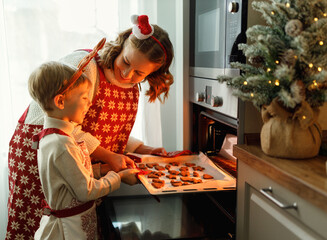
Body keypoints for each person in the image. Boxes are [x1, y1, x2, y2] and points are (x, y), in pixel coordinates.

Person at [5, 14, 174, 239]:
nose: (127, 74)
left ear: (152, 74)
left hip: (76, 160)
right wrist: (108, 157)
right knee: (38, 226)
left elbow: (110, 131)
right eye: (125, 62)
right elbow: (61, 125)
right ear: (122, 45)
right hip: (39, 153)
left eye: (139, 73)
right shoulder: (86, 67)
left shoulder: (131, 88)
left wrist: (144, 149)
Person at [28, 60, 139, 239]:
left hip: (74, 223)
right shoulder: (62, 144)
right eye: (84, 98)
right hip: (69, 230)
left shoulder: (55, 137)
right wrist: (118, 177)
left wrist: (106, 169)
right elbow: (86, 191)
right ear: (60, 101)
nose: (89, 104)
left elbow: (73, 176)